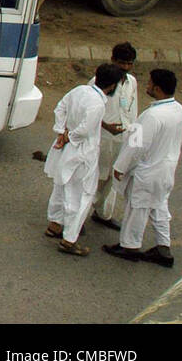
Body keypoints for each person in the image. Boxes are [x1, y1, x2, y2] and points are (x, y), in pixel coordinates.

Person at [44, 62, 125, 255]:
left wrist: (61, 131)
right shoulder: (97, 104)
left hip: (66, 149)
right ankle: (69, 240)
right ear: (112, 86)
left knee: (61, 187)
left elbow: (60, 108)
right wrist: (68, 136)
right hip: (81, 154)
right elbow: (85, 130)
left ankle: (54, 225)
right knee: (81, 197)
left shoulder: (79, 90)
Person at [105, 69, 182, 267]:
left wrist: (120, 167)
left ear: (157, 88)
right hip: (166, 170)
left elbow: (137, 146)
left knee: (137, 208)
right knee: (159, 206)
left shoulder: (152, 115)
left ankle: (129, 246)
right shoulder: (178, 109)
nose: (146, 86)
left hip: (149, 172)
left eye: (149, 83)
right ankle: (163, 248)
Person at [92, 42, 139, 228]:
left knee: (114, 177)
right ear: (113, 60)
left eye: (129, 63)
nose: (125, 67)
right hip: (103, 138)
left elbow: (132, 110)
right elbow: (90, 111)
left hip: (123, 138)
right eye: (122, 63)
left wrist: (135, 140)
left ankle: (103, 213)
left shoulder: (131, 82)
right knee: (97, 177)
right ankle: (78, 217)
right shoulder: (98, 80)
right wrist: (106, 127)